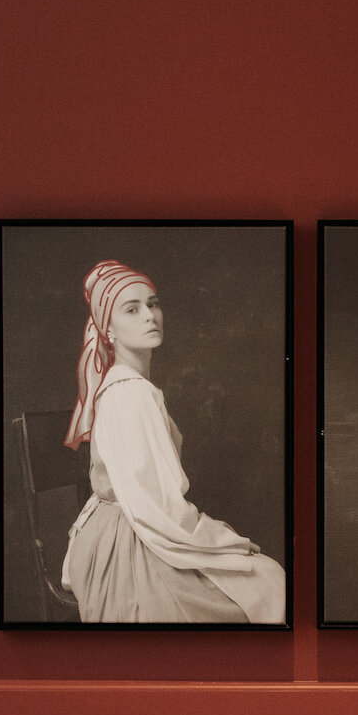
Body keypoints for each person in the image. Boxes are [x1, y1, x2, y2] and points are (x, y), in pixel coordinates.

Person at [61, 258, 286, 624]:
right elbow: (156, 505)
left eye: (152, 304)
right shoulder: (130, 393)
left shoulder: (131, 386)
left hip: (127, 524)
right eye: (131, 309)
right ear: (108, 328)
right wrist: (221, 542)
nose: (149, 316)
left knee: (265, 580)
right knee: (271, 584)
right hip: (127, 542)